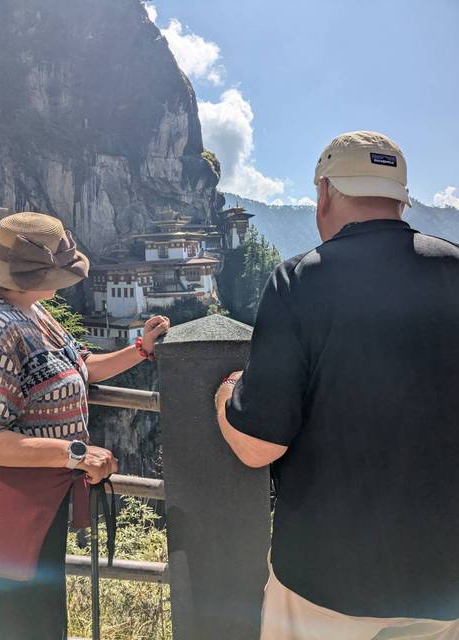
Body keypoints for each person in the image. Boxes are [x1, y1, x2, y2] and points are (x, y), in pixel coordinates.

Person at [216, 131, 459, 639]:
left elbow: (258, 444)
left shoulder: (300, 280)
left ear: (324, 192)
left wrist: (226, 398)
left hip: (327, 579)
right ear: (400, 197)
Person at [0, 211, 169, 640]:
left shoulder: (31, 310)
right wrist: (75, 453)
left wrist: (140, 348)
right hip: (8, 509)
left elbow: (81, 365)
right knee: (19, 622)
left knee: (44, 617)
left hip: (40, 499)